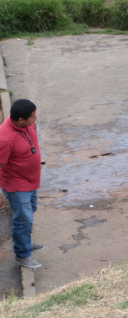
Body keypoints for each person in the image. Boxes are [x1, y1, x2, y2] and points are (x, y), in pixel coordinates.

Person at [0, 99, 44, 269]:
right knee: (23, 219)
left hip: (31, 181)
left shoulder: (27, 125)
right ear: (20, 120)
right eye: (32, 117)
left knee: (30, 212)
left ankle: (25, 242)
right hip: (16, 185)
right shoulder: (5, 139)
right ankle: (23, 255)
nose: (36, 119)